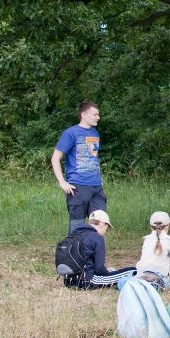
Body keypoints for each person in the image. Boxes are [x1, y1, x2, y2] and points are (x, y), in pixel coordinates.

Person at [52, 101, 106, 234]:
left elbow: (93, 157)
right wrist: (62, 183)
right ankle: (74, 248)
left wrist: (98, 178)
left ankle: (93, 248)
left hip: (96, 187)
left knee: (100, 223)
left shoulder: (94, 133)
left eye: (98, 114)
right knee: (77, 228)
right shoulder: (71, 133)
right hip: (78, 187)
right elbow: (55, 158)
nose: (98, 117)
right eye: (95, 114)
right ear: (84, 115)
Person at [62, 210, 137, 290]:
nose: (106, 231)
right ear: (102, 224)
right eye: (107, 227)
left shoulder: (73, 235)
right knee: (132, 271)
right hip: (87, 281)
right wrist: (109, 274)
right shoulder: (97, 237)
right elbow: (99, 269)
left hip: (68, 281)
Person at [134, 211, 170, 290]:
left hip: (142, 274)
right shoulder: (169, 240)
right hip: (159, 276)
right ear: (167, 226)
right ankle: (168, 282)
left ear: (151, 226)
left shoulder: (146, 239)